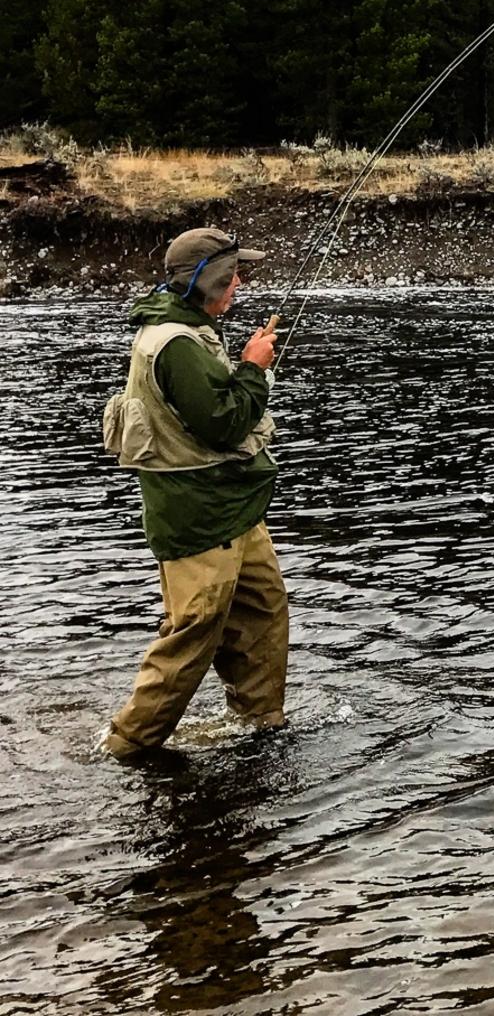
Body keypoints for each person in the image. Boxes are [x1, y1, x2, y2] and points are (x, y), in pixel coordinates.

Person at [100, 227, 287, 759]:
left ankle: (261, 726)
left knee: (262, 608)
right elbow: (225, 425)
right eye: (231, 277)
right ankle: (128, 747)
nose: (240, 284)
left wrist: (247, 366)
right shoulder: (176, 344)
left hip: (231, 507)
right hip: (198, 515)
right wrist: (253, 366)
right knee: (193, 633)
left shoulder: (189, 327)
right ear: (203, 282)